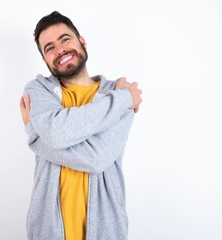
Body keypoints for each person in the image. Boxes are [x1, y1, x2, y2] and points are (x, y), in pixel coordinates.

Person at [19, 11, 142, 240]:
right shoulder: (38, 90)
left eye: (65, 39)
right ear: (45, 60)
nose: (60, 50)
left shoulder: (115, 92)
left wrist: (35, 137)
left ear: (81, 42)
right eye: (50, 48)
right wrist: (124, 100)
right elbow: (57, 135)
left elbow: (97, 158)